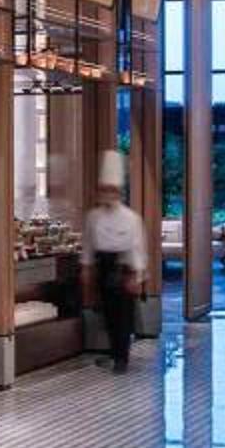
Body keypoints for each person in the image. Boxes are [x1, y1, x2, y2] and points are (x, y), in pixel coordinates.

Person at [81, 149, 147, 373]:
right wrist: (87, 270)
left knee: (124, 316)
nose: (107, 194)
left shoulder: (131, 218)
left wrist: (136, 276)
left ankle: (122, 358)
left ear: (118, 192)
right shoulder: (93, 217)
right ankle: (114, 352)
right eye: (104, 189)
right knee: (108, 314)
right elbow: (88, 246)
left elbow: (137, 248)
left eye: (111, 189)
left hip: (123, 268)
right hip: (103, 267)